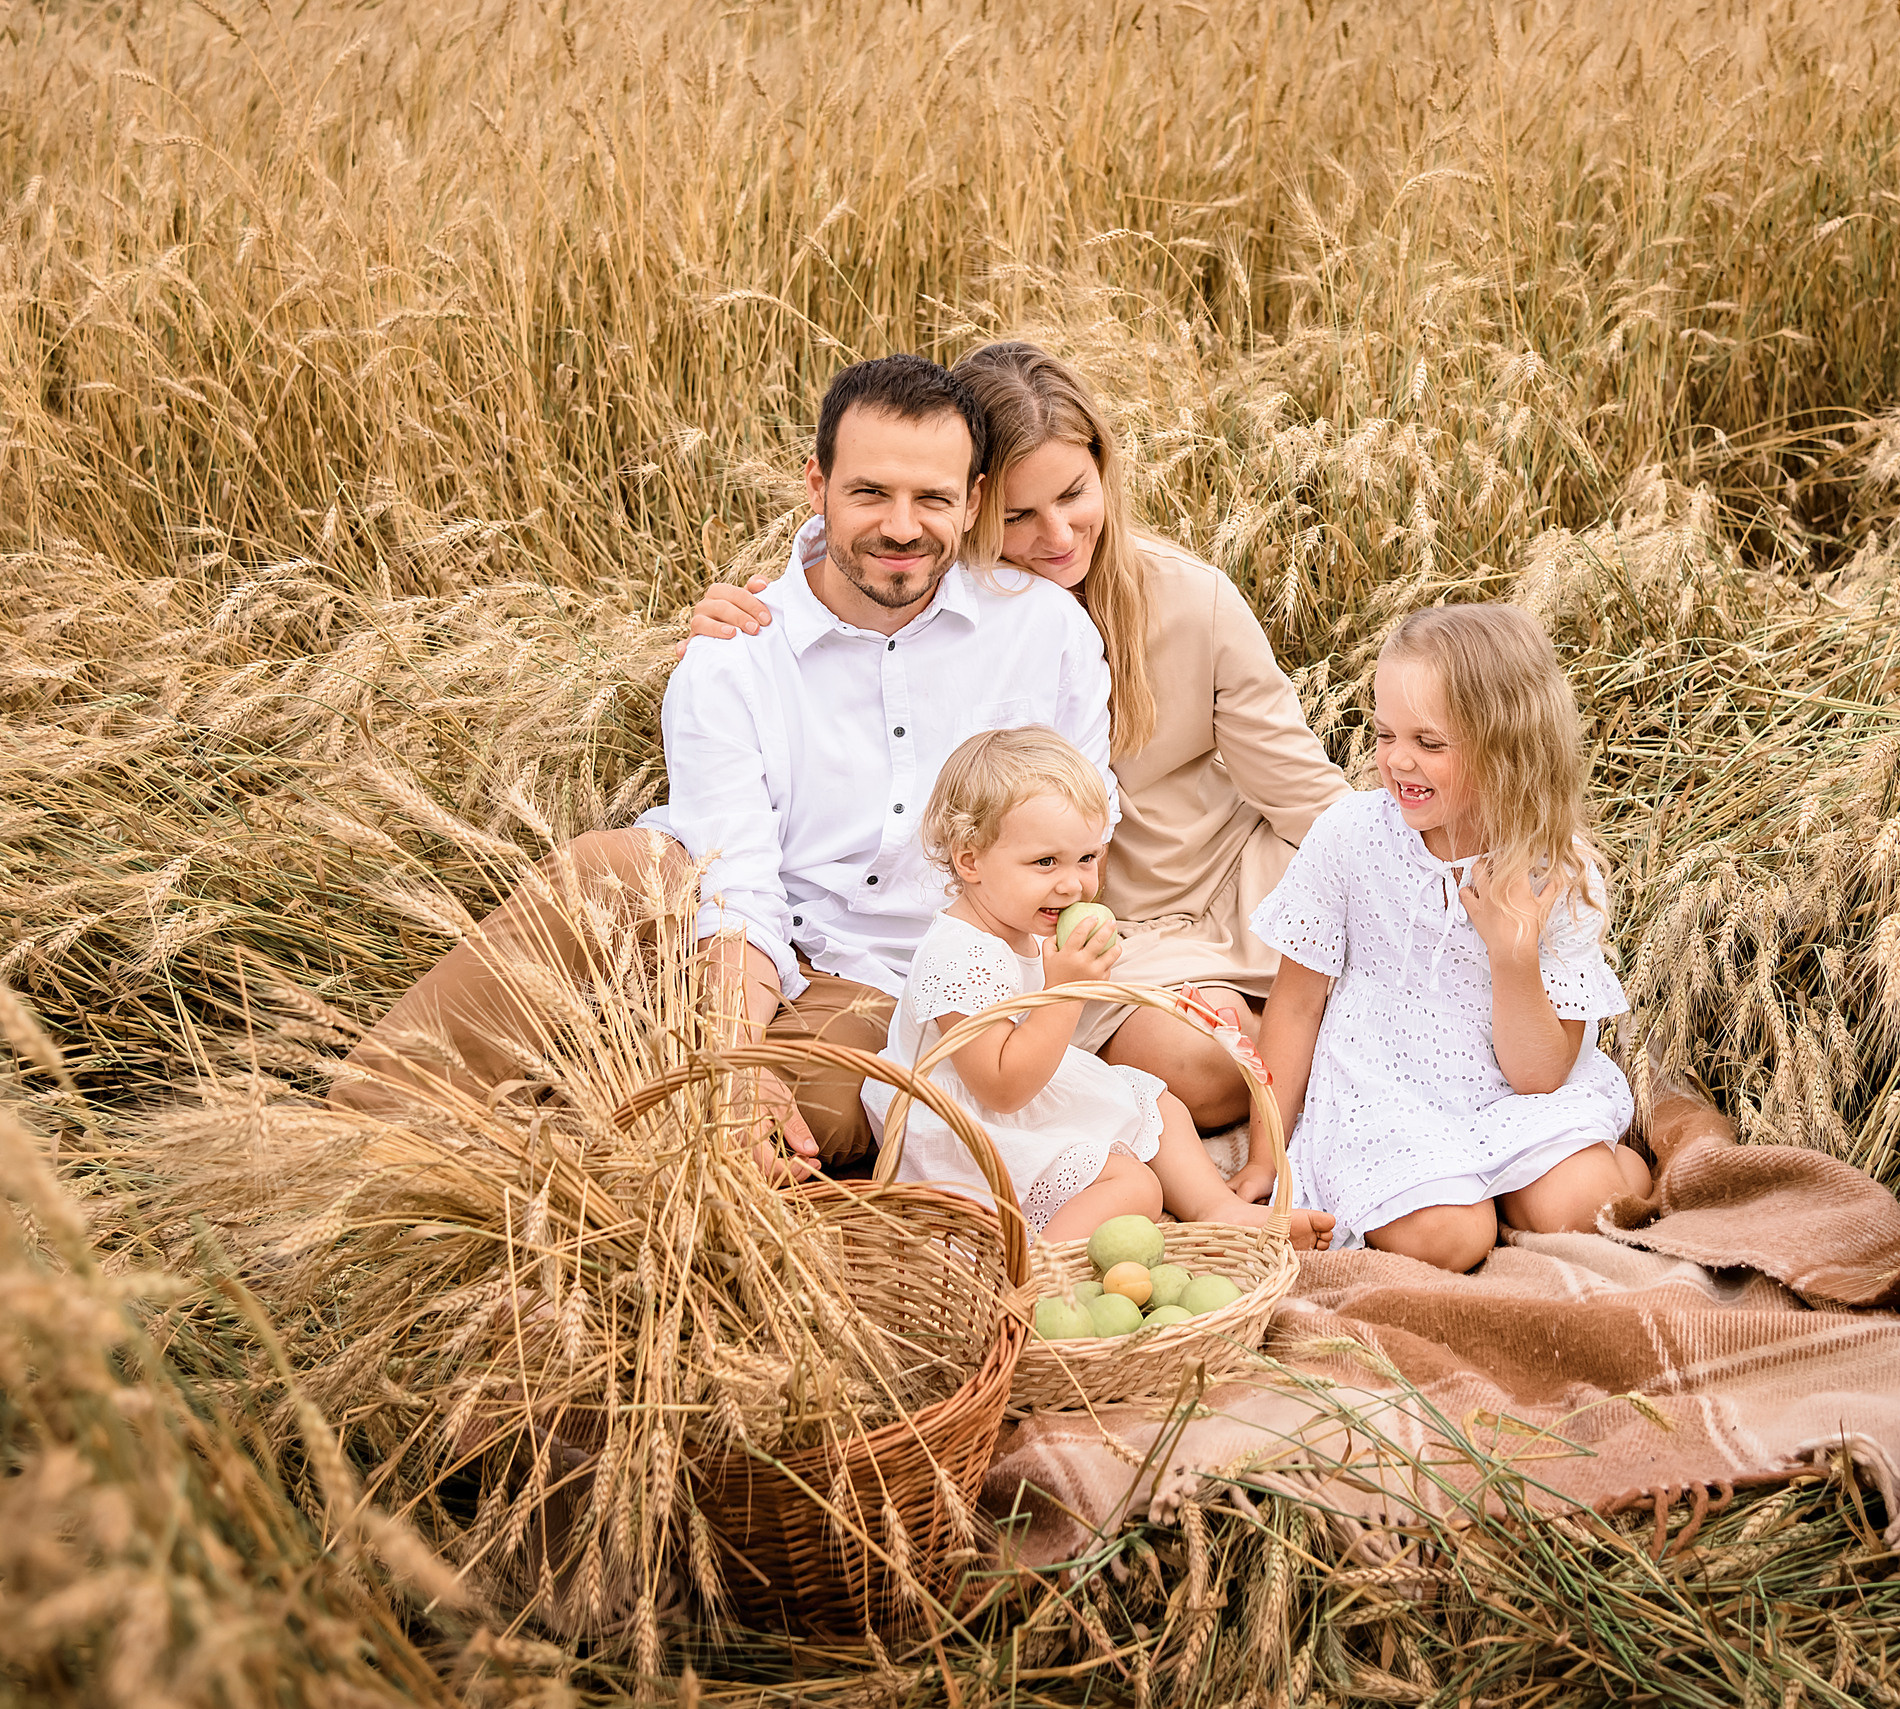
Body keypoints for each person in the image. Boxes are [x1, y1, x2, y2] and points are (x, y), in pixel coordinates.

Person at [331, 354, 1112, 1181]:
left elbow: (1084, 831)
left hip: (897, 980)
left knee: (821, 1109)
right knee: (609, 871)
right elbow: (735, 882)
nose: (901, 526)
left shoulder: (1044, 634)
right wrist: (737, 1056)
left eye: (932, 499)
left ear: (975, 500)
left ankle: (547, 1140)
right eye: (870, 493)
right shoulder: (736, 653)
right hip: (716, 928)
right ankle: (357, 1132)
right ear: (818, 485)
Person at [690, 340, 1348, 1196]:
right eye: (1018, 515)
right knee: (1162, 1062)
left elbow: (1303, 790)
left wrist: (1431, 861)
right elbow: (856, 573)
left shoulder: (1169, 605)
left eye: (1075, 496)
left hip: (1182, 903)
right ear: (978, 510)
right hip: (1039, 925)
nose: (1058, 535)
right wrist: (762, 605)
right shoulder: (913, 594)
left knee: (1214, 1058)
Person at [1249, 604, 1648, 1272]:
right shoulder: (1349, 838)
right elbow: (1294, 1005)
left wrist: (1512, 954)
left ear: (1509, 747)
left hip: (1512, 1088)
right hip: (1386, 1086)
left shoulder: (1559, 871)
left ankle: (1598, 1167)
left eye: (1430, 743)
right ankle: (1482, 1200)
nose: (1398, 760)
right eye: (1383, 733)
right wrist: (1267, 1157)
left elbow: (1540, 1076)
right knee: (1452, 1237)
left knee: (1586, 1208)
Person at [869, 726, 1332, 1248]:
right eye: (1046, 862)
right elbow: (1000, 1087)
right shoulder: (959, 956)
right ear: (969, 860)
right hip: (967, 1132)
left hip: (1022, 1090)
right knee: (1132, 1185)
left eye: (1086, 859)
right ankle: (1034, 1273)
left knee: (1156, 1104)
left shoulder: (1020, 926)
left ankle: (1219, 1209)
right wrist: (1067, 990)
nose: (1074, 884)